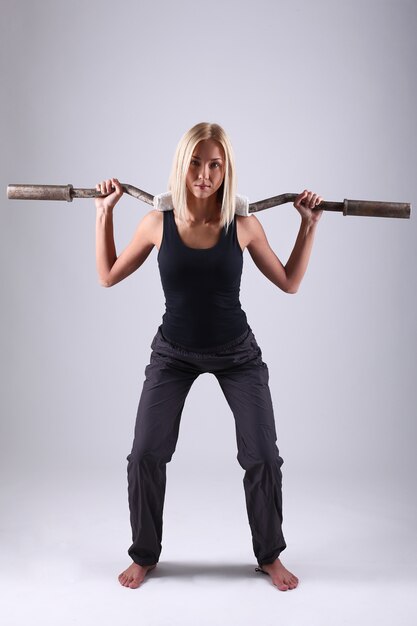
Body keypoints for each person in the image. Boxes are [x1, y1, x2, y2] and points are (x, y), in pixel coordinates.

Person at [95, 122, 323, 591]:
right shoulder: (156, 223)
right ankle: (144, 554)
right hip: (173, 353)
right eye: (196, 162)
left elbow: (289, 281)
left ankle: (269, 555)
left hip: (237, 354)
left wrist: (308, 224)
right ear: (182, 165)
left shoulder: (243, 225)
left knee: (262, 455)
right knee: (144, 454)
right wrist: (103, 214)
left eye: (215, 164)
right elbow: (108, 275)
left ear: (226, 169)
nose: (204, 173)